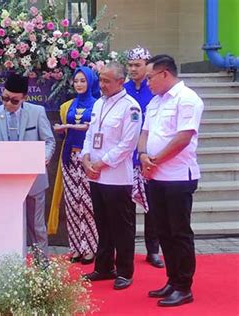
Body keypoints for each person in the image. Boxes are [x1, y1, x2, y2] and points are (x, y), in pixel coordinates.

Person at [139, 54, 203, 307]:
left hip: (177, 176)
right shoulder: (155, 102)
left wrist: (155, 159)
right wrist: (143, 155)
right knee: (163, 231)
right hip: (155, 175)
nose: (147, 83)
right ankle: (172, 279)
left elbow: (183, 137)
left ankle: (184, 286)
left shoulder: (187, 99)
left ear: (165, 73)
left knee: (179, 232)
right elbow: (144, 132)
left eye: (149, 78)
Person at [0, 73, 55, 258]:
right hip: (4, 182)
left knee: (37, 227)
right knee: (7, 226)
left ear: (24, 98)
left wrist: (42, 159)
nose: (8, 104)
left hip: (33, 180)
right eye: (4, 98)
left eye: (14, 100)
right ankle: (9, 268)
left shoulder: (37, 112)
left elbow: (49, 141)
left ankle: (42, 271)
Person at [81, 62, 142, 290]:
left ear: (120, 81)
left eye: (107, 81)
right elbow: (90, 133)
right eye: (101, 80)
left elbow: (128, 144)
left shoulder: (130, 107)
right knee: (102, 223)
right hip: (95, 175)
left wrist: (102, 162)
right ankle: (104, 266)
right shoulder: (99, 103)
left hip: (116, 176)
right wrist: (86, 158)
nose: (102, 85)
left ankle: (125, 270)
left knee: (121, 226)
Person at [50, 66, 100, 264]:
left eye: (83, 81)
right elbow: (66, 129)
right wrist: (62, 131)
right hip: (69, 158)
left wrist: (68, 126)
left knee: (87, 205)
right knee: (71, 205)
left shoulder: (98, 105)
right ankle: (76, 248)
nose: (79, 84)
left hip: (88, 159)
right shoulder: (68, 105)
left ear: (90, 82)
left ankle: (91, 247)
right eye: (76, 81)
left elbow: (91, 127)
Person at [125, 46, 164, 268]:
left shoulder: (155, 90)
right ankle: (127, 248)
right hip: (126, 158)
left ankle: (153, 250)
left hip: (149, 157)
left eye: (136, 65)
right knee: (126, 207)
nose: (132, 69)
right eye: (129, 65)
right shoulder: (123, 89)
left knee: (152, 205)